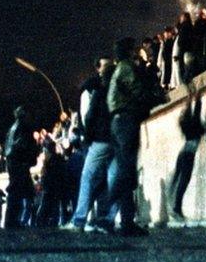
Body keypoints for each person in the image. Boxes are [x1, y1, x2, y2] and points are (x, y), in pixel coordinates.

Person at [101, 37, 167, 236]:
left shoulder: (119, 69)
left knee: (126, 170)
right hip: (126, 121)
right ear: (129, 52)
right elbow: (138, 92)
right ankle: (107, 216)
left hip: (120, 122)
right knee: (126, 171)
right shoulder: (126, 68)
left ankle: (125, 222)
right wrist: (157, 97)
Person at [70, 58, 116, 231]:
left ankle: (79, 219)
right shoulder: (118, 87)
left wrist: (87, 137)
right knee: (113, 180)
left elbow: (88, 116)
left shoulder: (97, 89)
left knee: (88, 177)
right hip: (116, 140)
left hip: (100, 139)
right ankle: (108, 219)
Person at [169, 92, 206, 222]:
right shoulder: (194, 123)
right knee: (184, 181)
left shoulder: (185, 124)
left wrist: (190, 100)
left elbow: (193, 112)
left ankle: (175, 207)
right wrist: (198, 100)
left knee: (179, 180)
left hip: (183, 152)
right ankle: (176, 208)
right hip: (189, 154)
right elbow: (197, 113)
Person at [4, 106, 38, 229]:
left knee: (18, 192)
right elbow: (23, 145)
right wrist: (30, 158)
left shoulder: (13, 128)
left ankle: (12, 220)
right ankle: (11, 221)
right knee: (16, 192)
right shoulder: (22, 128)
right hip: (19, 163)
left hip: (14, 162)